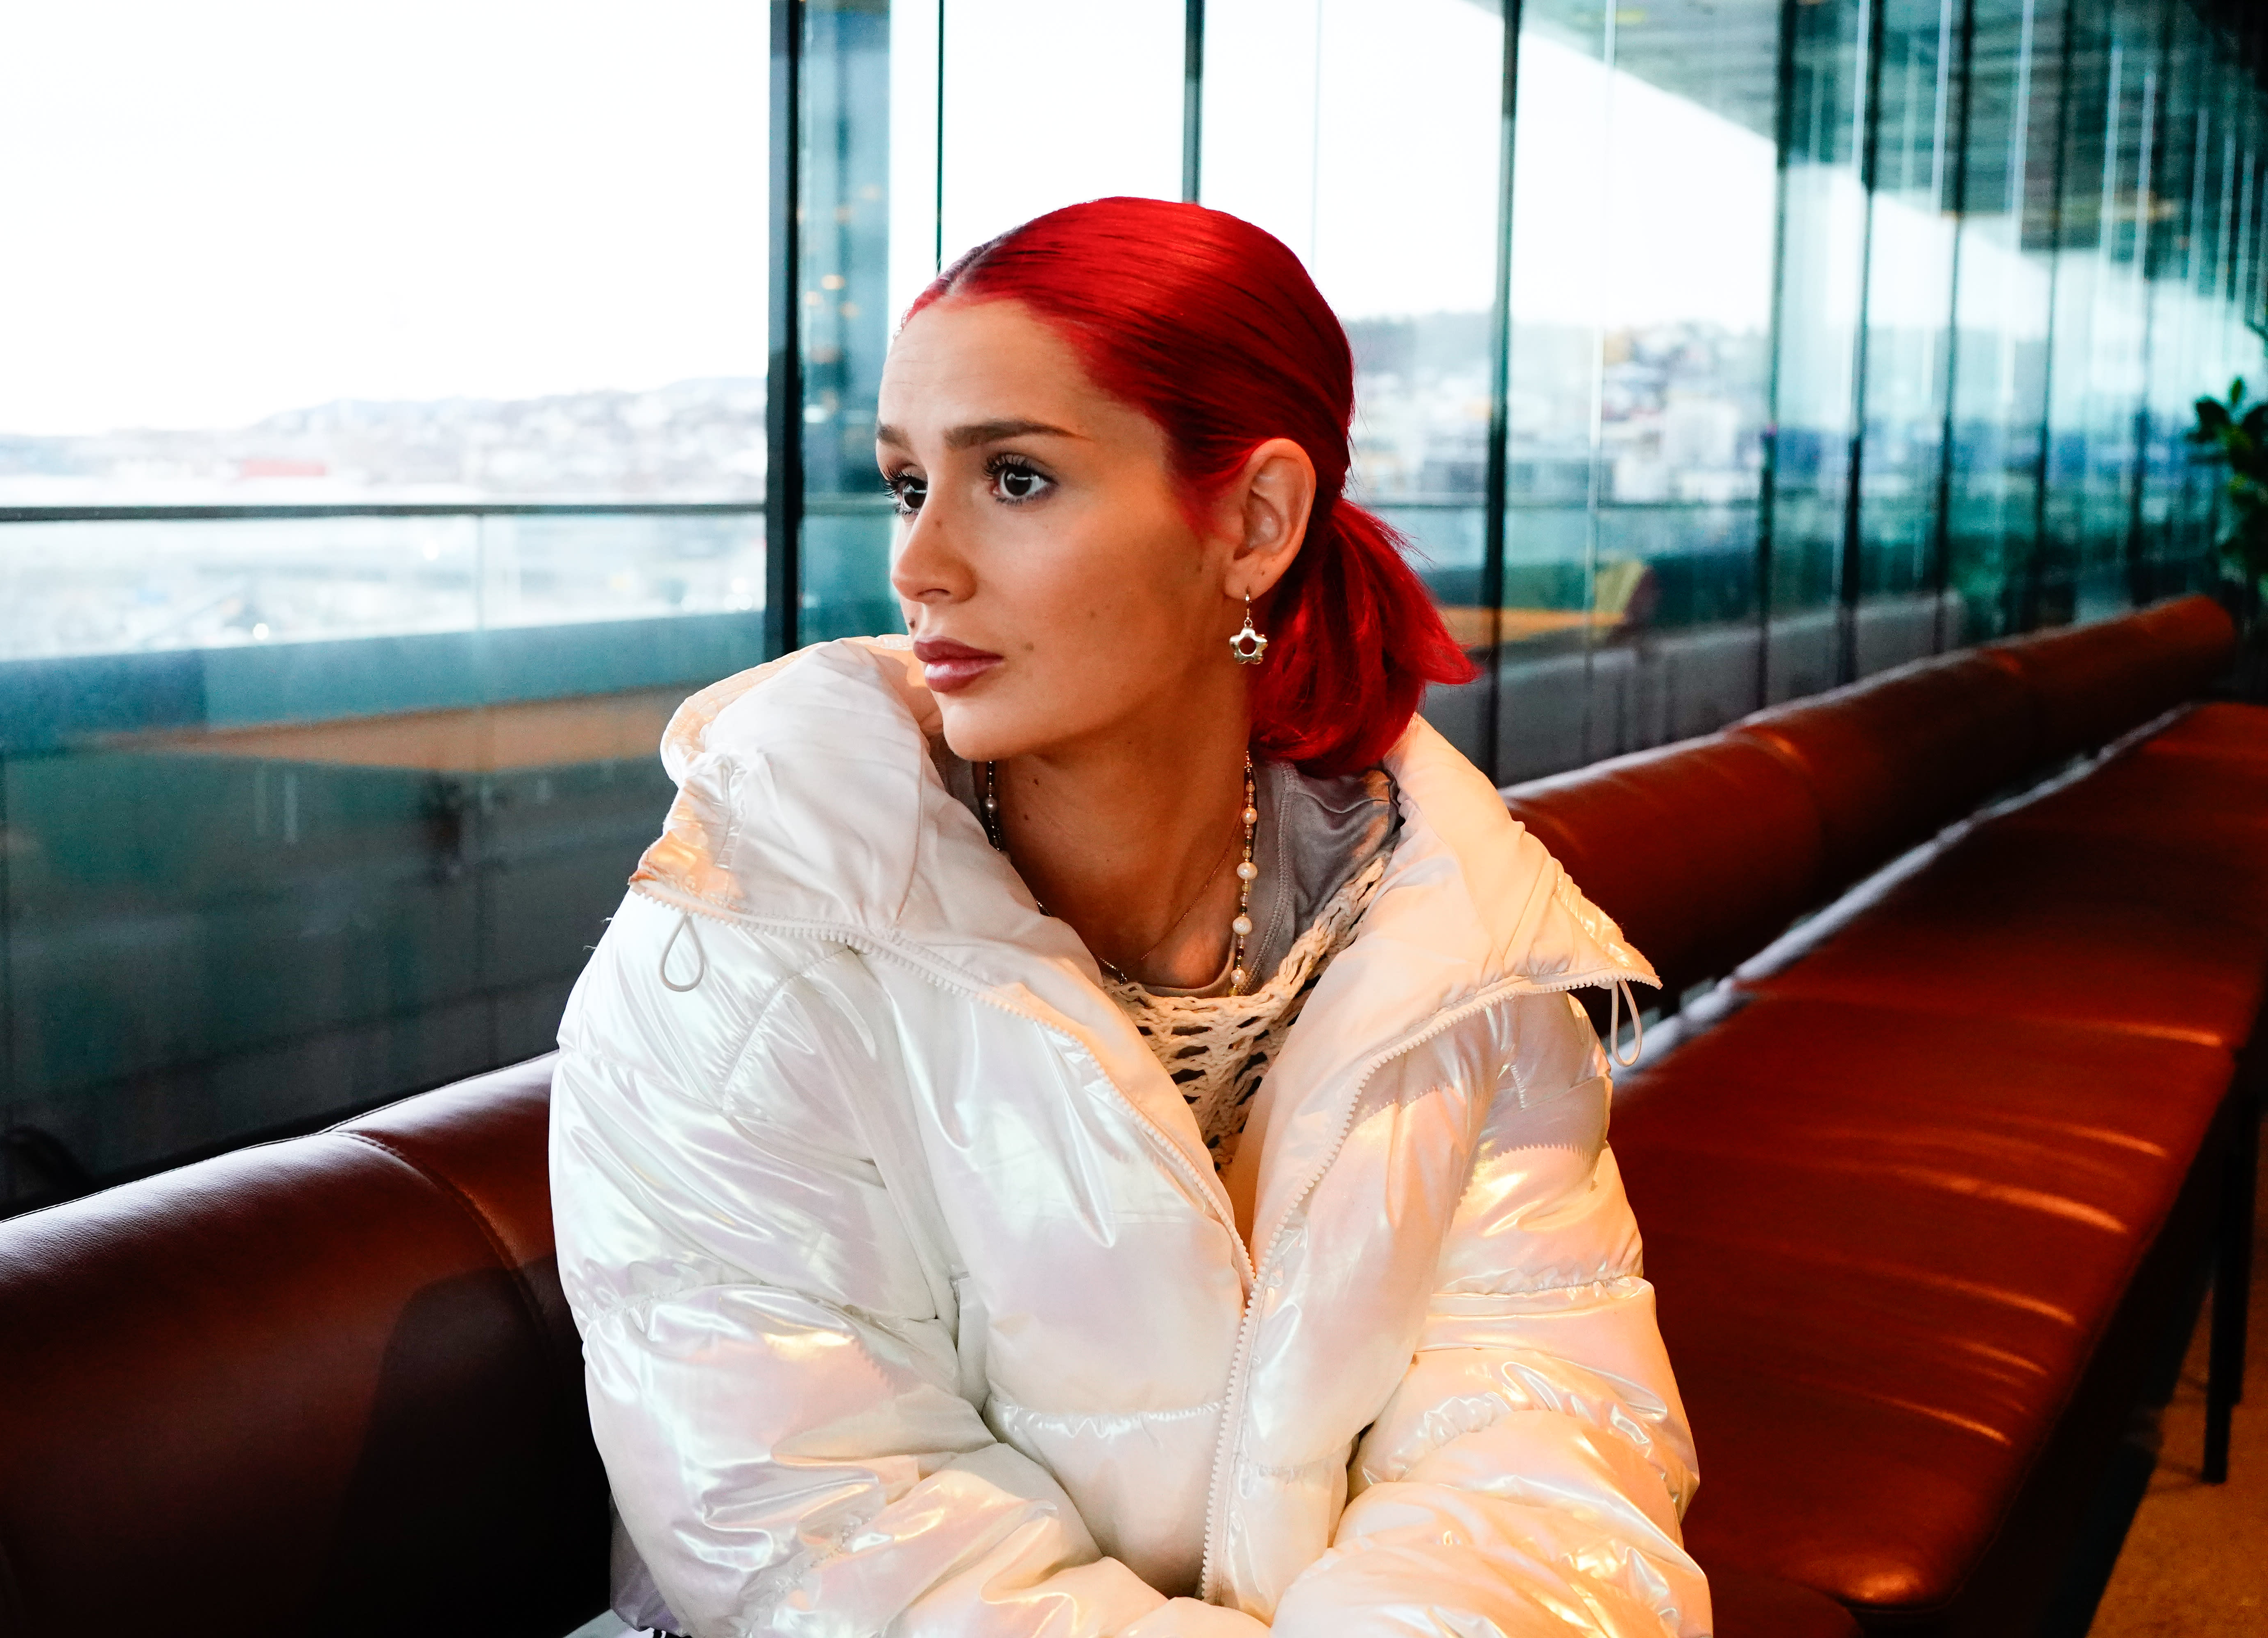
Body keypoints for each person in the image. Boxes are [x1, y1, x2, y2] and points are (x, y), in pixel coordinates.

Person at [550, 197, 1706, 1638]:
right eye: (908, 485)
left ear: (1255, 522)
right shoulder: (743, 954)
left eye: (1015, 479)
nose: (919, 565)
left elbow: (1545, 1437)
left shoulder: (1457, 941)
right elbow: (826, 1540)